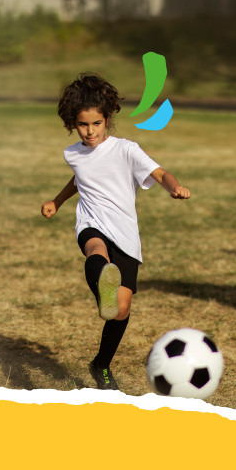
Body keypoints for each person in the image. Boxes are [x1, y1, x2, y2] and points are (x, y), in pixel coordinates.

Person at [41, 73, 190, 389]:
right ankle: (102, 289)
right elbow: (79, 180)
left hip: (125, 232)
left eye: (96, 124)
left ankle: (101, 364)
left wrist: (174, 187)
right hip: (91, 222)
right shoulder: (73, 153)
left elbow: (160, 173)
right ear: (73, 123)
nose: (90, 131)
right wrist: (58, 201)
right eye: (83, 125)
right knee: (95, 249)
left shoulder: (126, 150)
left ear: (107, 119)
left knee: (120, 311)